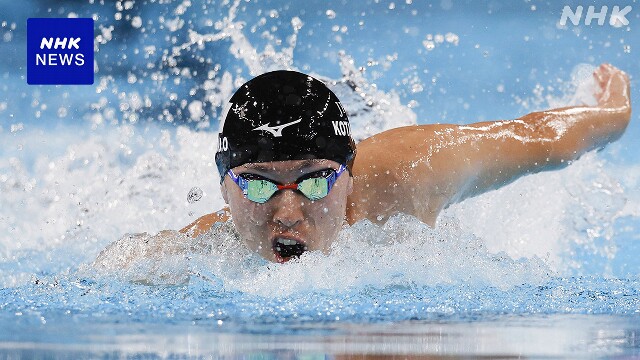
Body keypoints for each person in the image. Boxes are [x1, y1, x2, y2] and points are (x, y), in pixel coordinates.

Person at [111, 64, 633, 265]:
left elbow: (540, 137)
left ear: (350, 173)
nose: (287, 210)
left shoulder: (410, 174)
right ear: (224, 188)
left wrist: (614, 110)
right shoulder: (207, 247)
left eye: (315, 181)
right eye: (258, 186)